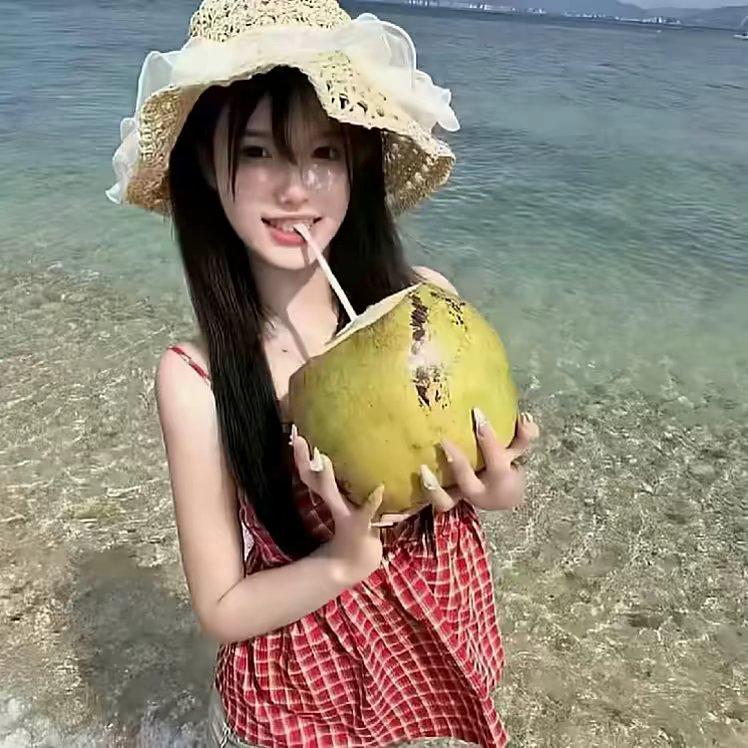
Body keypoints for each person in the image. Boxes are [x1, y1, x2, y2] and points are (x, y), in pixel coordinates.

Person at [107, 1, 539, 745]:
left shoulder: (425, 305)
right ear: (208, 167)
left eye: (325, 153)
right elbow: (221, 606)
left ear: (356, 167)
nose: (296, 189)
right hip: (302, 696)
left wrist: (497, 486)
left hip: (442, 653)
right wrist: (341, 562)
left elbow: (495, 488)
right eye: (257, 152)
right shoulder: (197, 379)